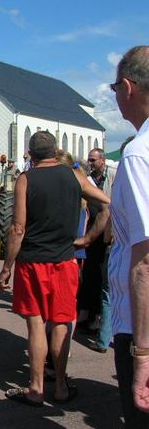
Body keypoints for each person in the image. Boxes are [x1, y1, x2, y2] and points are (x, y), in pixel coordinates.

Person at [0, 131, 109, 407]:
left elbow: (18, 228)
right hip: (65, 261)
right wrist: (87, 239)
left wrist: (6, 267)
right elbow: (105, 205)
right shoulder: (74, 175)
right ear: (55, 151)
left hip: (32, 262)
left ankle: (35, 389)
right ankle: (60, 386)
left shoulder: (25, 179)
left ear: (31, 156)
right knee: (60, 324)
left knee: (36, 325)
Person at [106, 46, 149, 427]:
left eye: (114, 88)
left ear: (129, 88)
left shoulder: (137, 155)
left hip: (139, 324)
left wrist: (142, 352)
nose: (116, 97)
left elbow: (146, 258)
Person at [79, 148, 117, 353]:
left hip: (108, 234)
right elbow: (87, 209)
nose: (90, 162)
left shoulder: (112, 175)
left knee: (107, 283)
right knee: (91, 275)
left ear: (102, 160)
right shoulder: (89, 178)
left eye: (93, 160)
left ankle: (103, 330)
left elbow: (109, 209)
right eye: (89, 160)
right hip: (94, 231)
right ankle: (88, 316)